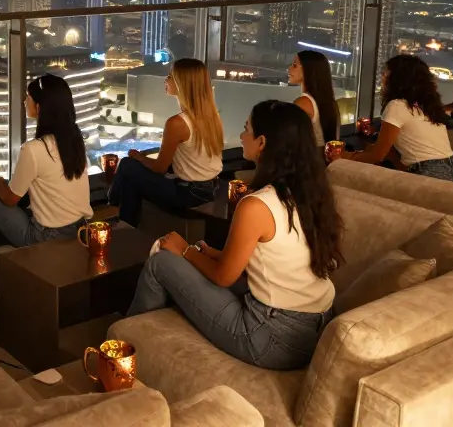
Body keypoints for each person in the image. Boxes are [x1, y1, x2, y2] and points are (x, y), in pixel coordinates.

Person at [125, 100, 341, 370]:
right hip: (317, 329)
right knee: (197, 260)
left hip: (273, 338)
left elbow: (223, 277)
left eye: (245, 129)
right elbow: (280, 259)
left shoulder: (257, 205)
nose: (241, 136)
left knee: (161, 263)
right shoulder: (312, 194)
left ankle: (123, 350)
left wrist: (185, 250)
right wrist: (214, 255)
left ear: (262, 143)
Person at [0, 73, 92, 296]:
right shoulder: (74, 140)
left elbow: (11, 198)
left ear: (39, 106)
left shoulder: (34, 149)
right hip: (77, 229)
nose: (24, 101)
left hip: (44, 236)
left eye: (28, 97)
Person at [109, 58, 224, 227]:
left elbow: (159, 168)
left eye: (170, 76)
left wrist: (139, 157)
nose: (166, 79)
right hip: (211, 189)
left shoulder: (177, 123)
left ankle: (111, 205)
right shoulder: (212, 116)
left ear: (182, 84)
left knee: (127, 165)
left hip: (189, 195)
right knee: (131, 179)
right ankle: (126, 224)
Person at [344, 55, 453, 182]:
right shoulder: (426, 106)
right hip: (451, 173)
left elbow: (377, 156)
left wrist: (344, 156)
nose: (382, 78)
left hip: (427, 174)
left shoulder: (397, 105)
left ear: (397, 79)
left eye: (385, 74)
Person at [288, 50, 339, 145]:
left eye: (294, 65)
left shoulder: (303, 103)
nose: (289, 69)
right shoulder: (330, 101)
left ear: (308, 70)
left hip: (308, 159)